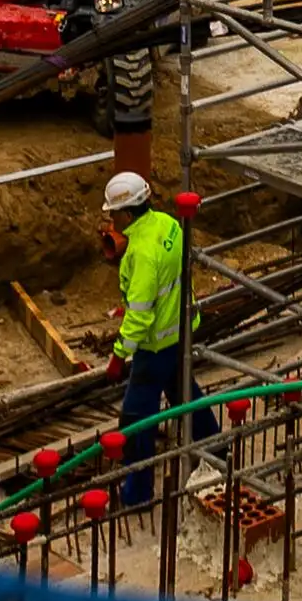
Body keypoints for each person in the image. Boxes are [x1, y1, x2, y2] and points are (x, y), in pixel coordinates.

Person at [103, 168, 189, 460]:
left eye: (114, 214)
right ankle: (215, 449)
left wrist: (118, 356)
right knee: (186, 398)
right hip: (181, 329)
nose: (112, 220)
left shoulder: (140, 253)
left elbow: (139, 314)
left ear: (127, 214)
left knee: (136, 417)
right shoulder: (168, 223)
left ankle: (136, 488)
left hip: (155, 344)